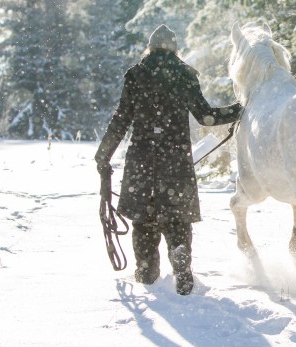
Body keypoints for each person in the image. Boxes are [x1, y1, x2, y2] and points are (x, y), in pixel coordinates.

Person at [95, 24, 242, 295]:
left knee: (143, 220)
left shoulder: (136, 75)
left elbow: (120, 120)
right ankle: (182, 270)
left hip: (141, 162)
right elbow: (205, 116)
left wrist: (103, 157)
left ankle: (147, 273)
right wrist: (239, 109)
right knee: (177, 221)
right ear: (175, 49)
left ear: (149, 47)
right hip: (175, 164)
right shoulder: (184, 74)